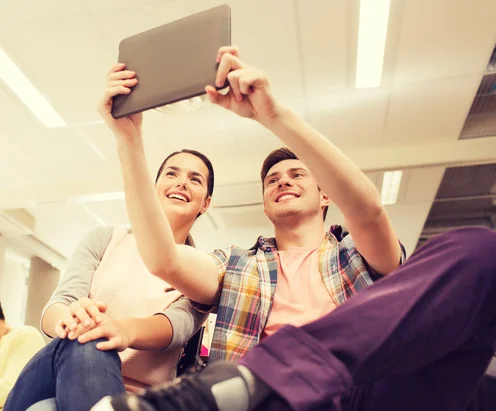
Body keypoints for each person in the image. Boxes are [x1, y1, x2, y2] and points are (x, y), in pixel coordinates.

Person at [92, 46, 496, 411]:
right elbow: (163, 259)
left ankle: (263, 376)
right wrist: (128, 138)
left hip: (367, 394)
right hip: (272, 403)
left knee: (481, 250)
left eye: (297, 174)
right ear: (266, 205)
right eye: (272, 180)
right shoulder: (234, 266)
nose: (283, 181)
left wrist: (274, 116)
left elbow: (369, 210)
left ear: (325, 197)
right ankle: (259, 382)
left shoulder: (356, 255)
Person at [3, 145, 214, 409]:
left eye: (195, 179)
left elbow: (176, 328)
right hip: (64, 370)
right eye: (172, 174)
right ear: (155, 187)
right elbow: (56, 308)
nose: (182, 183)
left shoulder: (203, 272)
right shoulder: (105, 239)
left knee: (95, 337)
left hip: (138, 397)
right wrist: (70, 317)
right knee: (90, 338)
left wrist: (119, 329)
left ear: (205, 202)